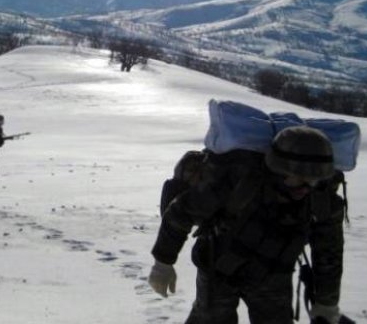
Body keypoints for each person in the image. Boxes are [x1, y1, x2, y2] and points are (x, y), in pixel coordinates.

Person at [148, 126, 348, 324]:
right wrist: (163, 262)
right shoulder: (240, 182)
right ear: (278, 170)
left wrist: (327, 302)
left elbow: (329, 252)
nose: (306, 188)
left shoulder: (323, 202)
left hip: (273, 274)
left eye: (313, 181)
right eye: (299, 179)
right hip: (218, 267)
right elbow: (180, 212)